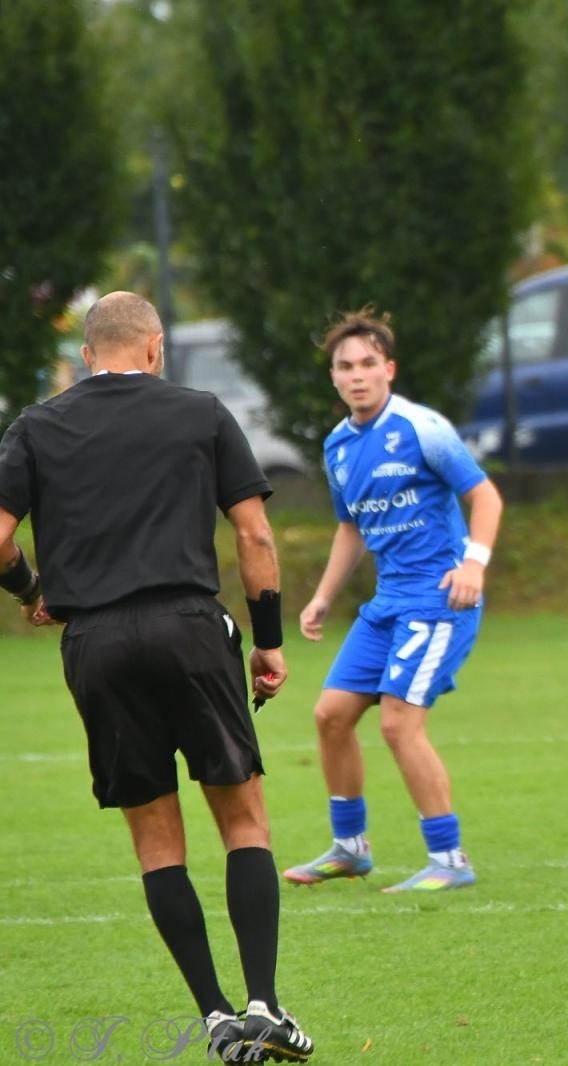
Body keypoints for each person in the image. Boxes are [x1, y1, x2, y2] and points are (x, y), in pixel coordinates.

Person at [0, 292, 314, 1060]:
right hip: (189, 630)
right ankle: (264, 1004)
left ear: (86, 356)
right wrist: (268, 644)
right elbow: (254, 532)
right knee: (243, 821)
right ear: (155, 348)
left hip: (96, 645)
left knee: (156, 843)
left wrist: (35, 593)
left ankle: (213, 1017)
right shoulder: (200, 412)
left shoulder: (36, 426)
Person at [284, 308, 503, 893]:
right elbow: (351, 528)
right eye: (345, 366)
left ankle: (449, 859)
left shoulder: (421, 428)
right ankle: (350, 849)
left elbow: (486, 498)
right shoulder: (337, 447)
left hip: (439, 599)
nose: (357, 375)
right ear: (333, 376)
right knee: (330, 716)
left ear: (389, 369)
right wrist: (323, 597)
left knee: (399, 724)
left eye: (367, 364)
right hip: (387, 603)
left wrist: (474, 566)